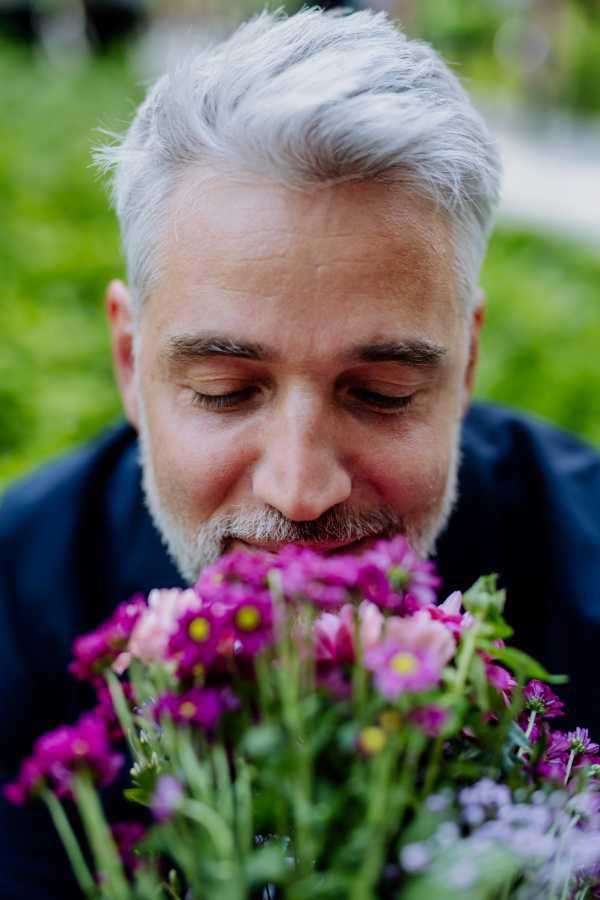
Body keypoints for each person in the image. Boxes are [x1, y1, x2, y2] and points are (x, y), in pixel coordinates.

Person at [1, 8, 599, 898]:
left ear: (466, 365)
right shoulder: (17, 597)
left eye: (381, 394)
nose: (301, 489)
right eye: (226, 391)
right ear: (131, 362)